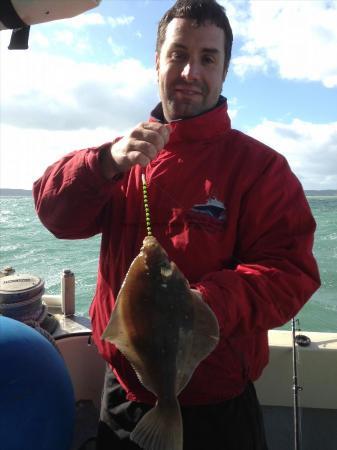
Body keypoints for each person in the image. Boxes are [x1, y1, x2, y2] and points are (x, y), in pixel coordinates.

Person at [33, 1, 320, 449]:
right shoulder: (122, 158)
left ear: (225, 72)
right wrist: (103, 162)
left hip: (220, 410)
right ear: (157, 61)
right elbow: (54, 214)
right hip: (124, 399)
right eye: (178, 54)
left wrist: (199, 308)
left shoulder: (262, 168)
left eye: (208, 58)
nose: (190, 72)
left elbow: (290, 272)